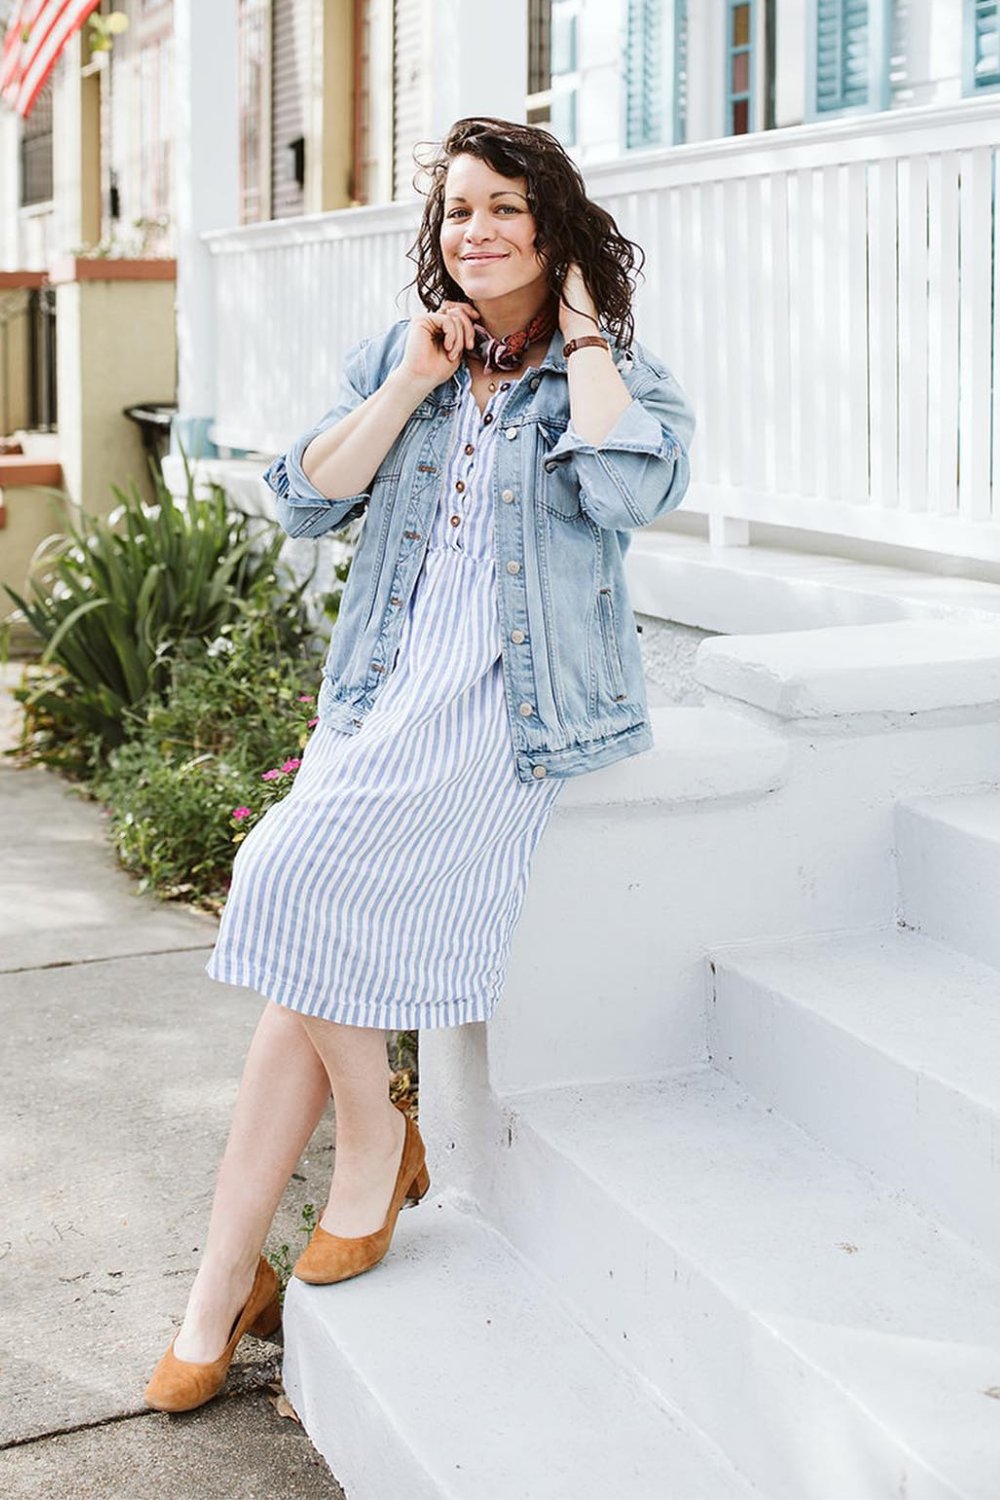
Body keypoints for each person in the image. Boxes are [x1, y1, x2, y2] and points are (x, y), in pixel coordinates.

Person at [143, 116, 696, 1413]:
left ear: (553, 230)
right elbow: (304, 494)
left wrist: (592, 336)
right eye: (458, 211)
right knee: (297, 948)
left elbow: (628, 492)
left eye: (506, 206)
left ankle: (336, 1179)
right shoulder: (407, 356)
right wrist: (407, 381)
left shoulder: (609, 376)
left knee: (275, 870)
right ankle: (234, 1274)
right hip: (380, 701)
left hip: (508, 715)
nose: (478, 230)